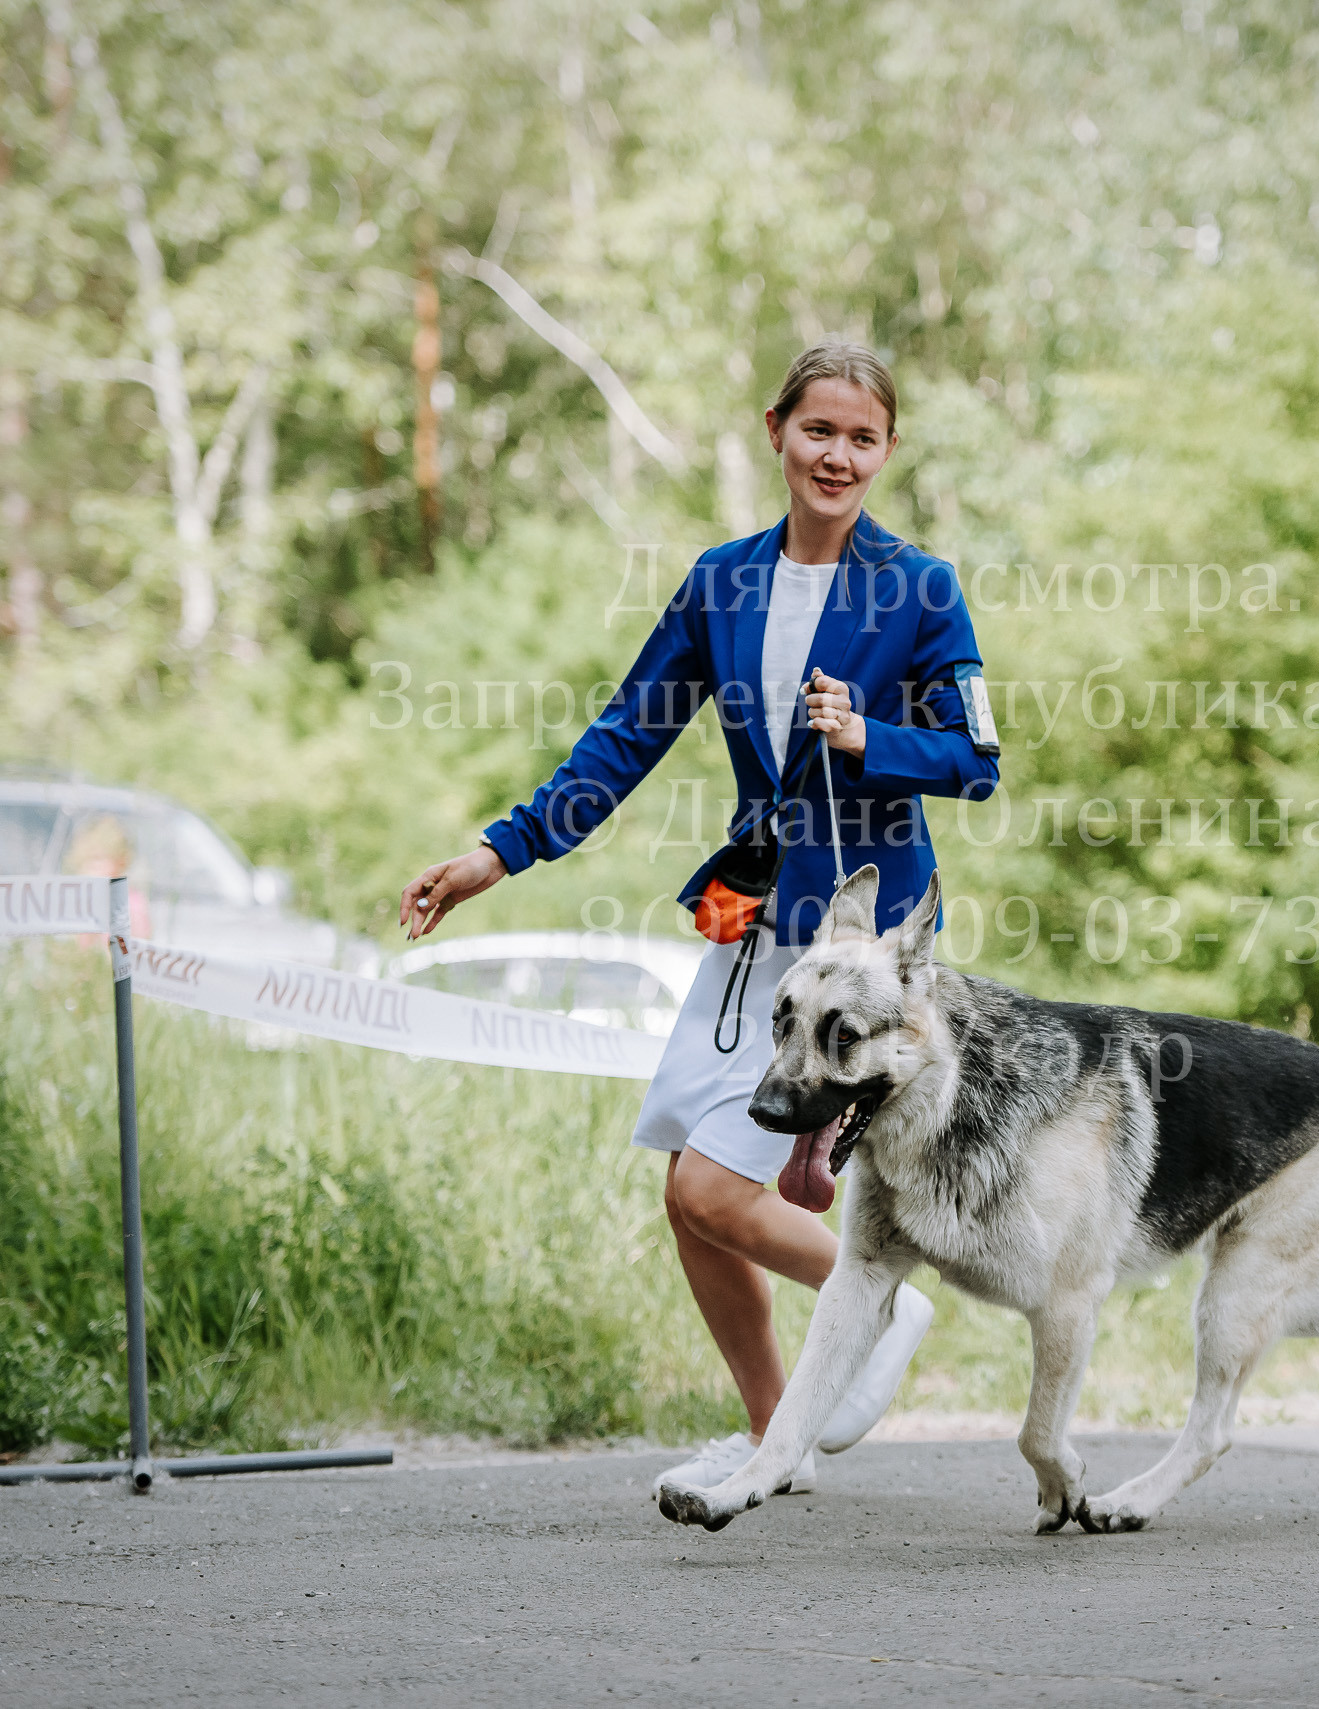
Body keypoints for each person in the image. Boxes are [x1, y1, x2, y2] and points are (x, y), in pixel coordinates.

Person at [398, 342, 999, 1493]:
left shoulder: (920, 587)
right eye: (817, 429)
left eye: (861, 437)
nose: (837, 454)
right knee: (690, 1194)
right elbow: (625, 735)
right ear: (775, 429)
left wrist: (874, 736)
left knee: (710, 1190)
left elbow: (977, 760)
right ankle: (781, 1437)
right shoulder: (722, 581)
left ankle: (882, 1303)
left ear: (887, 451)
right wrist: (495, 851)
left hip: (856, 946)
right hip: (751, 929)